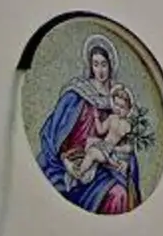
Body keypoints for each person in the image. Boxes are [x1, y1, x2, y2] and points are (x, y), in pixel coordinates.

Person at [36, 35, 142, 214]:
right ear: (90, 66)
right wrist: (66, 160)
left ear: (110, 66)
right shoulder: (77, 93)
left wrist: (127, 164)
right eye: (96, 64)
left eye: (104, 64)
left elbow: (127, 144)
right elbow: (56, 134)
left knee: (119, 194)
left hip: (106, 167)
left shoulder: (118, 100)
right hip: (72, 159)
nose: (100, 70)